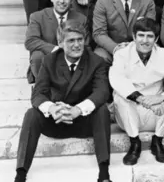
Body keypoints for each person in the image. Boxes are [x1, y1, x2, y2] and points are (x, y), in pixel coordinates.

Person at [14, 20, 111, 182]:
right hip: (56, 121)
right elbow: (38, 94)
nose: (76, 45)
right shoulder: (49, 60)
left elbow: (102, 92)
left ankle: (104, 173)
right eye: (71, 40)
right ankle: (21, 174)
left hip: (83, 122)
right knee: (31, 114)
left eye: (80, 39)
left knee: (102, 111)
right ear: (60, 43)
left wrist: (77, 110)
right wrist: (52, 109)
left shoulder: (96, 61)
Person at [109, 18, 164, 165]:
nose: (145, 40)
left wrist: (162, 97)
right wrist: (143, 99)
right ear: (134, 36)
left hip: (156, 114)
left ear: (156, 38)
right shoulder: (121, 54)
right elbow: (116, 80)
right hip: (130, 115)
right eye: (141, 35)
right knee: (119, 96)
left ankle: (157, 141)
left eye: (150, 36)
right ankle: (134, 143)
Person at [24, 0, 87, 84]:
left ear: (71, 0)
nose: (62, 1)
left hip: (72, 64)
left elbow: (86, 45)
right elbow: (30, 41)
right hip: (47, 64)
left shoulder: (81, 19)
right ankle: (42, 88)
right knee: (36, 56)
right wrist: (56, 49)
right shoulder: (37, 17)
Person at [93, 0, 156, 65]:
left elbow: (149, 31)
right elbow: (99, 33)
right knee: (99, 56)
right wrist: (116, 48)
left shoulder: (147, 1)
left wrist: (133, 49)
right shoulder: (103, 2)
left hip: (139, 48)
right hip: (112, 48)